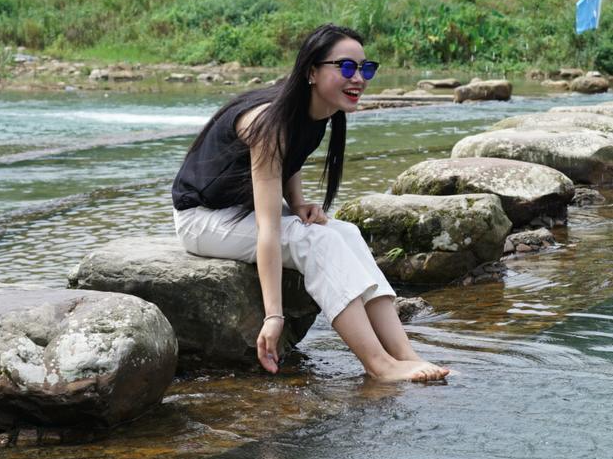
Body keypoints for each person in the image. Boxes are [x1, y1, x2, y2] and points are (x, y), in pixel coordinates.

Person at [172, 23, 449, 382]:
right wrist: (274, 316)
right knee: (314, 240)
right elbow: (269, 228)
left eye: (365, 68)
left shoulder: (315, 111)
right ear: (312, 72)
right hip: (201, 219)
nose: (359, 78)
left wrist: (298, 202)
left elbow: (288, 161)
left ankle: (405, 354)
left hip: (238, 211)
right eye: (346, 67)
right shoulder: (269, 121)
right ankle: (379, 365)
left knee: (345, 232)